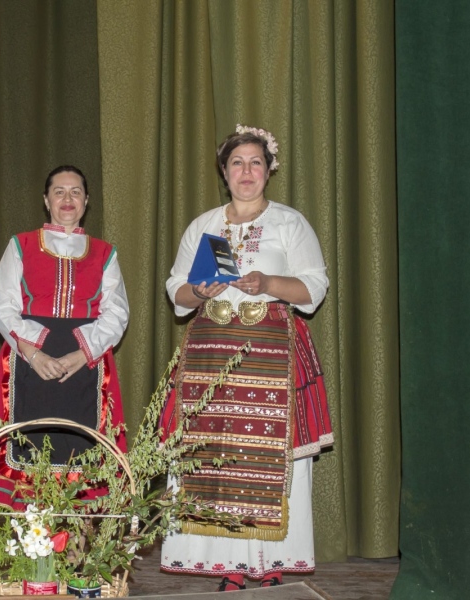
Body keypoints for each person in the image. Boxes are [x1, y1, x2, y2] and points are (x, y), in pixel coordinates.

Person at [161, 125, 334, 590]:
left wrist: (269, 284)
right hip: (210, 357)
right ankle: (230, 566)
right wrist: (197, 290)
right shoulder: (203, 225)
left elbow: (314, 287)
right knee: (220, 458)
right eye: (237, 163)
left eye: (256, 162)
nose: (246, 171)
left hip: (271, 355)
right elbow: (175, 290)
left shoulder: (289, 223)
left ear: (269, 170)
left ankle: (273, 563)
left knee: (272, 457)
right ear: (224, 171)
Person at [0, 165, 130, 509]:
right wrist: (35, 354)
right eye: (59, 191)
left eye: (75, 192)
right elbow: (3, 307)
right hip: (28, 360)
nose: (67, 199)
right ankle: (27, 538)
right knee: (28, 445)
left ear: (87, 201)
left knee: (81, 448)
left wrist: (82, 355)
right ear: (46, 200)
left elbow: (117, 312)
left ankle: (77, 539)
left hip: (86, 365)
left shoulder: (106, 253)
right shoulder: (21, 245)